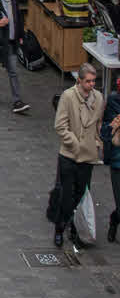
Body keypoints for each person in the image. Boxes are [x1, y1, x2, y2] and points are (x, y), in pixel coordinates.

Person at [53, 63, 105, 248]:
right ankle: (59, 227)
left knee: (80, 195)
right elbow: (60, 126)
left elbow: (98, 124)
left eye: (94, 81)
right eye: (88, 81)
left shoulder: (98, 98)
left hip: (88, 157)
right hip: (69, 155)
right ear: (79, 80)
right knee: (67, 196)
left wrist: (97, 143)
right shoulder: (68, 97)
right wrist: (76, 144)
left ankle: (75, 228)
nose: (92, 84)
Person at [100, 78, 120, 243]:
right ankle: (115, 220)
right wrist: (113, 127)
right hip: (117, 162)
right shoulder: (113, 101)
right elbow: (105, 132)